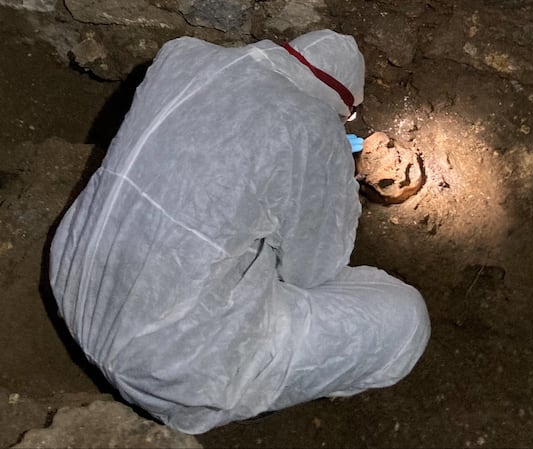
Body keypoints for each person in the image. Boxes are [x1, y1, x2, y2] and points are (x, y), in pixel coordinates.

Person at [49, 29, 430, 434]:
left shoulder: (181, 56)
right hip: (174, 369)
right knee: (406, 317)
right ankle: (277, 386)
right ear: (339, 107)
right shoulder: (310, 127)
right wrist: (336, 180)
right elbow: (314, 271)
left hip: (75, 284)